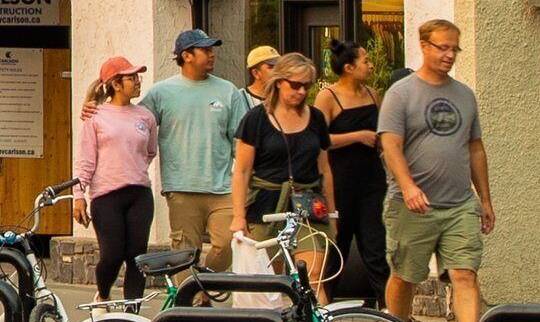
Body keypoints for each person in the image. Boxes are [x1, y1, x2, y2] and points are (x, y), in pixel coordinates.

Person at [379, 18, 494, 322]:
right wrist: (408, 186)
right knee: (406, 276)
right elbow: (390, 145)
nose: (448, 55)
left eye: (454, 48)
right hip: (411, 205)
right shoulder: (401, 94)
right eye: (442, 47)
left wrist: (485, 199)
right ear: (424, 46)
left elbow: (475, 148)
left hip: (459, 204)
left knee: (464, 274)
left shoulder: (464, 95)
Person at [146, 28, 251, 270]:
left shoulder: (228, 91)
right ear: (187, 56)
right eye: (205, 50)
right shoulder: (160, 93)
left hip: (222, 187)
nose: (212, 54)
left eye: (211, 49)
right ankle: (191, 302)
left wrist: (248, 176)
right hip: (182, 187)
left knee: (227, 244)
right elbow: (135, 124)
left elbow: (240, 142)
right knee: (184, 252)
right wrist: (95, 106)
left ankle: (203, 282)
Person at [231, 53, 333, 285]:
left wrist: (332, 212)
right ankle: (279, 320)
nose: (301, 92)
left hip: (306, 203)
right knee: (270, 279)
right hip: (266, 202)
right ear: (279, 82)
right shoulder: (256, 119)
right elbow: (242, 171)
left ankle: (320, 321)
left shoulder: (315, 118)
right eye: (295, 85)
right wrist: (238, 216)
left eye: (306, 86)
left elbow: (325, 169)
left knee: (313, 273)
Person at [73, 57, 158, 301]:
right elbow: (86, 160)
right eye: (132, 78)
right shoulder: (96, 116)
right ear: (116, 84)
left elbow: (150, 151)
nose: (137, 82)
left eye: (137, 77)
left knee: (136, 256)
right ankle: (103, 295)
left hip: (139, 193)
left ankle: (133, 313)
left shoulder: (145, 116)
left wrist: (134, 166)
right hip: (106, 195)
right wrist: (79, 196)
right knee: (112, 255)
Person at [317, 39, 389, 304]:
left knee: (376, 244)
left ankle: (387, 308)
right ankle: (324, 306)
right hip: (340, 178)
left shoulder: (372, 94)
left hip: (372, 179)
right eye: (366, 61)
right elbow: (319, 139)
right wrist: (357, 136)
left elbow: (382, 132)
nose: (370, 65)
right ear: (348, 67)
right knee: (339, 243)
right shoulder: (329, 96)